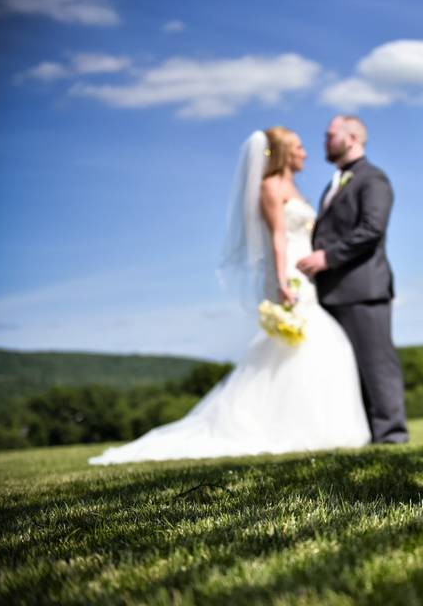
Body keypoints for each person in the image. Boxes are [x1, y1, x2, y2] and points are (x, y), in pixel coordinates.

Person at [89, 127, 371, 465]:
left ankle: (314, 424)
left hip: (306, 275)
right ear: (281, 152)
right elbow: (278, 237)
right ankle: (284, 425)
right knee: (302, 346)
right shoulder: (270, 186)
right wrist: (282, 280)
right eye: (298, 147)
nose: (305, 152)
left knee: (313, 346)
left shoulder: (294, 186)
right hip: (289, 276)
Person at [297, 116, 408, 444]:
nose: (325, 141)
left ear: (353, 137)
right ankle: (368, 433)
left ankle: (391, 435)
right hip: (334, 291)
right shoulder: (335, 182)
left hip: (363, 288)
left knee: (376, 365)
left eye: (330, 135)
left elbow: (372, 230)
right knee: (350, 370)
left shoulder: (373, 179)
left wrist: (326, 257)